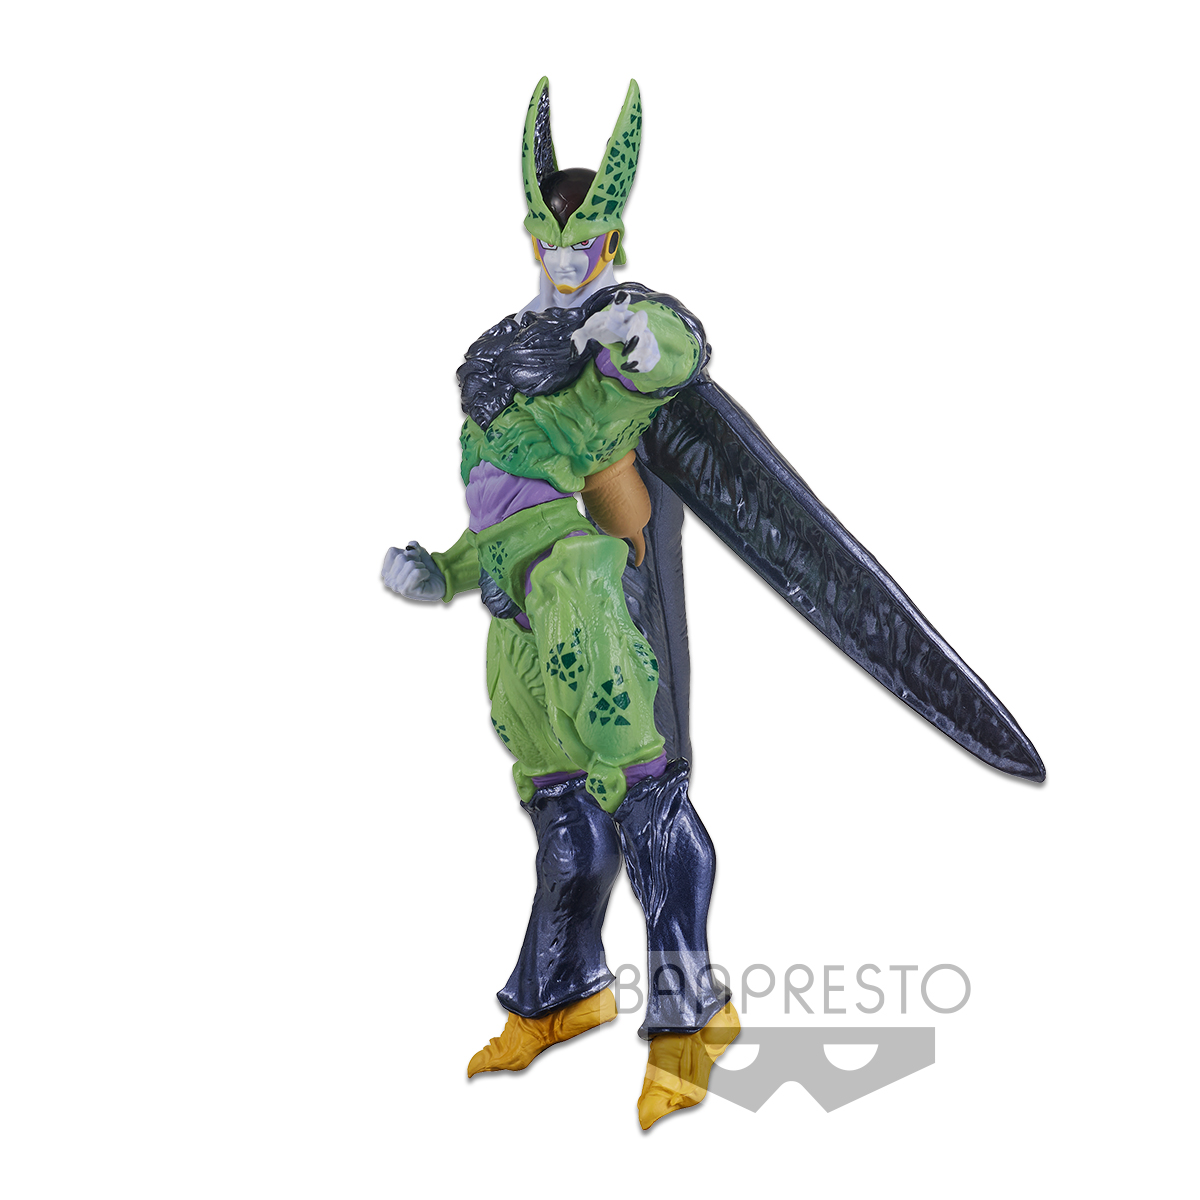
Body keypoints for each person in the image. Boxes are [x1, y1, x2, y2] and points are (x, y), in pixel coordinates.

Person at [383, 78, 737, 1130]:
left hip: (580, 590)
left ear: (612, 238)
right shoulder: (507, 356)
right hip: (514, 606)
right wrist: (442, 571)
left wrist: (647, 336)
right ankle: (561, 992)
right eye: (550, 240)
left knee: (648, 800)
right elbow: (503, 507)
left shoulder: (606, 341)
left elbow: (670, 354)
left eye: (584, 241)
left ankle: (689, 1019)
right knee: (562, 814)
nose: (566, 257)